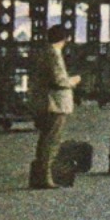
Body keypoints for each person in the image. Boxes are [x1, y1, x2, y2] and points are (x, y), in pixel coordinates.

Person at [28, 25, 81, 189]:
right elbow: (59, 80)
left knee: (45, 138)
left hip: (45, 101)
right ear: (64, 39)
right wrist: (74, 81)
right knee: (51, 140)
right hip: (55, 103)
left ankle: (39, 175)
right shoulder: (54, 54)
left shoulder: (43, 53)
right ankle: (45, 177)